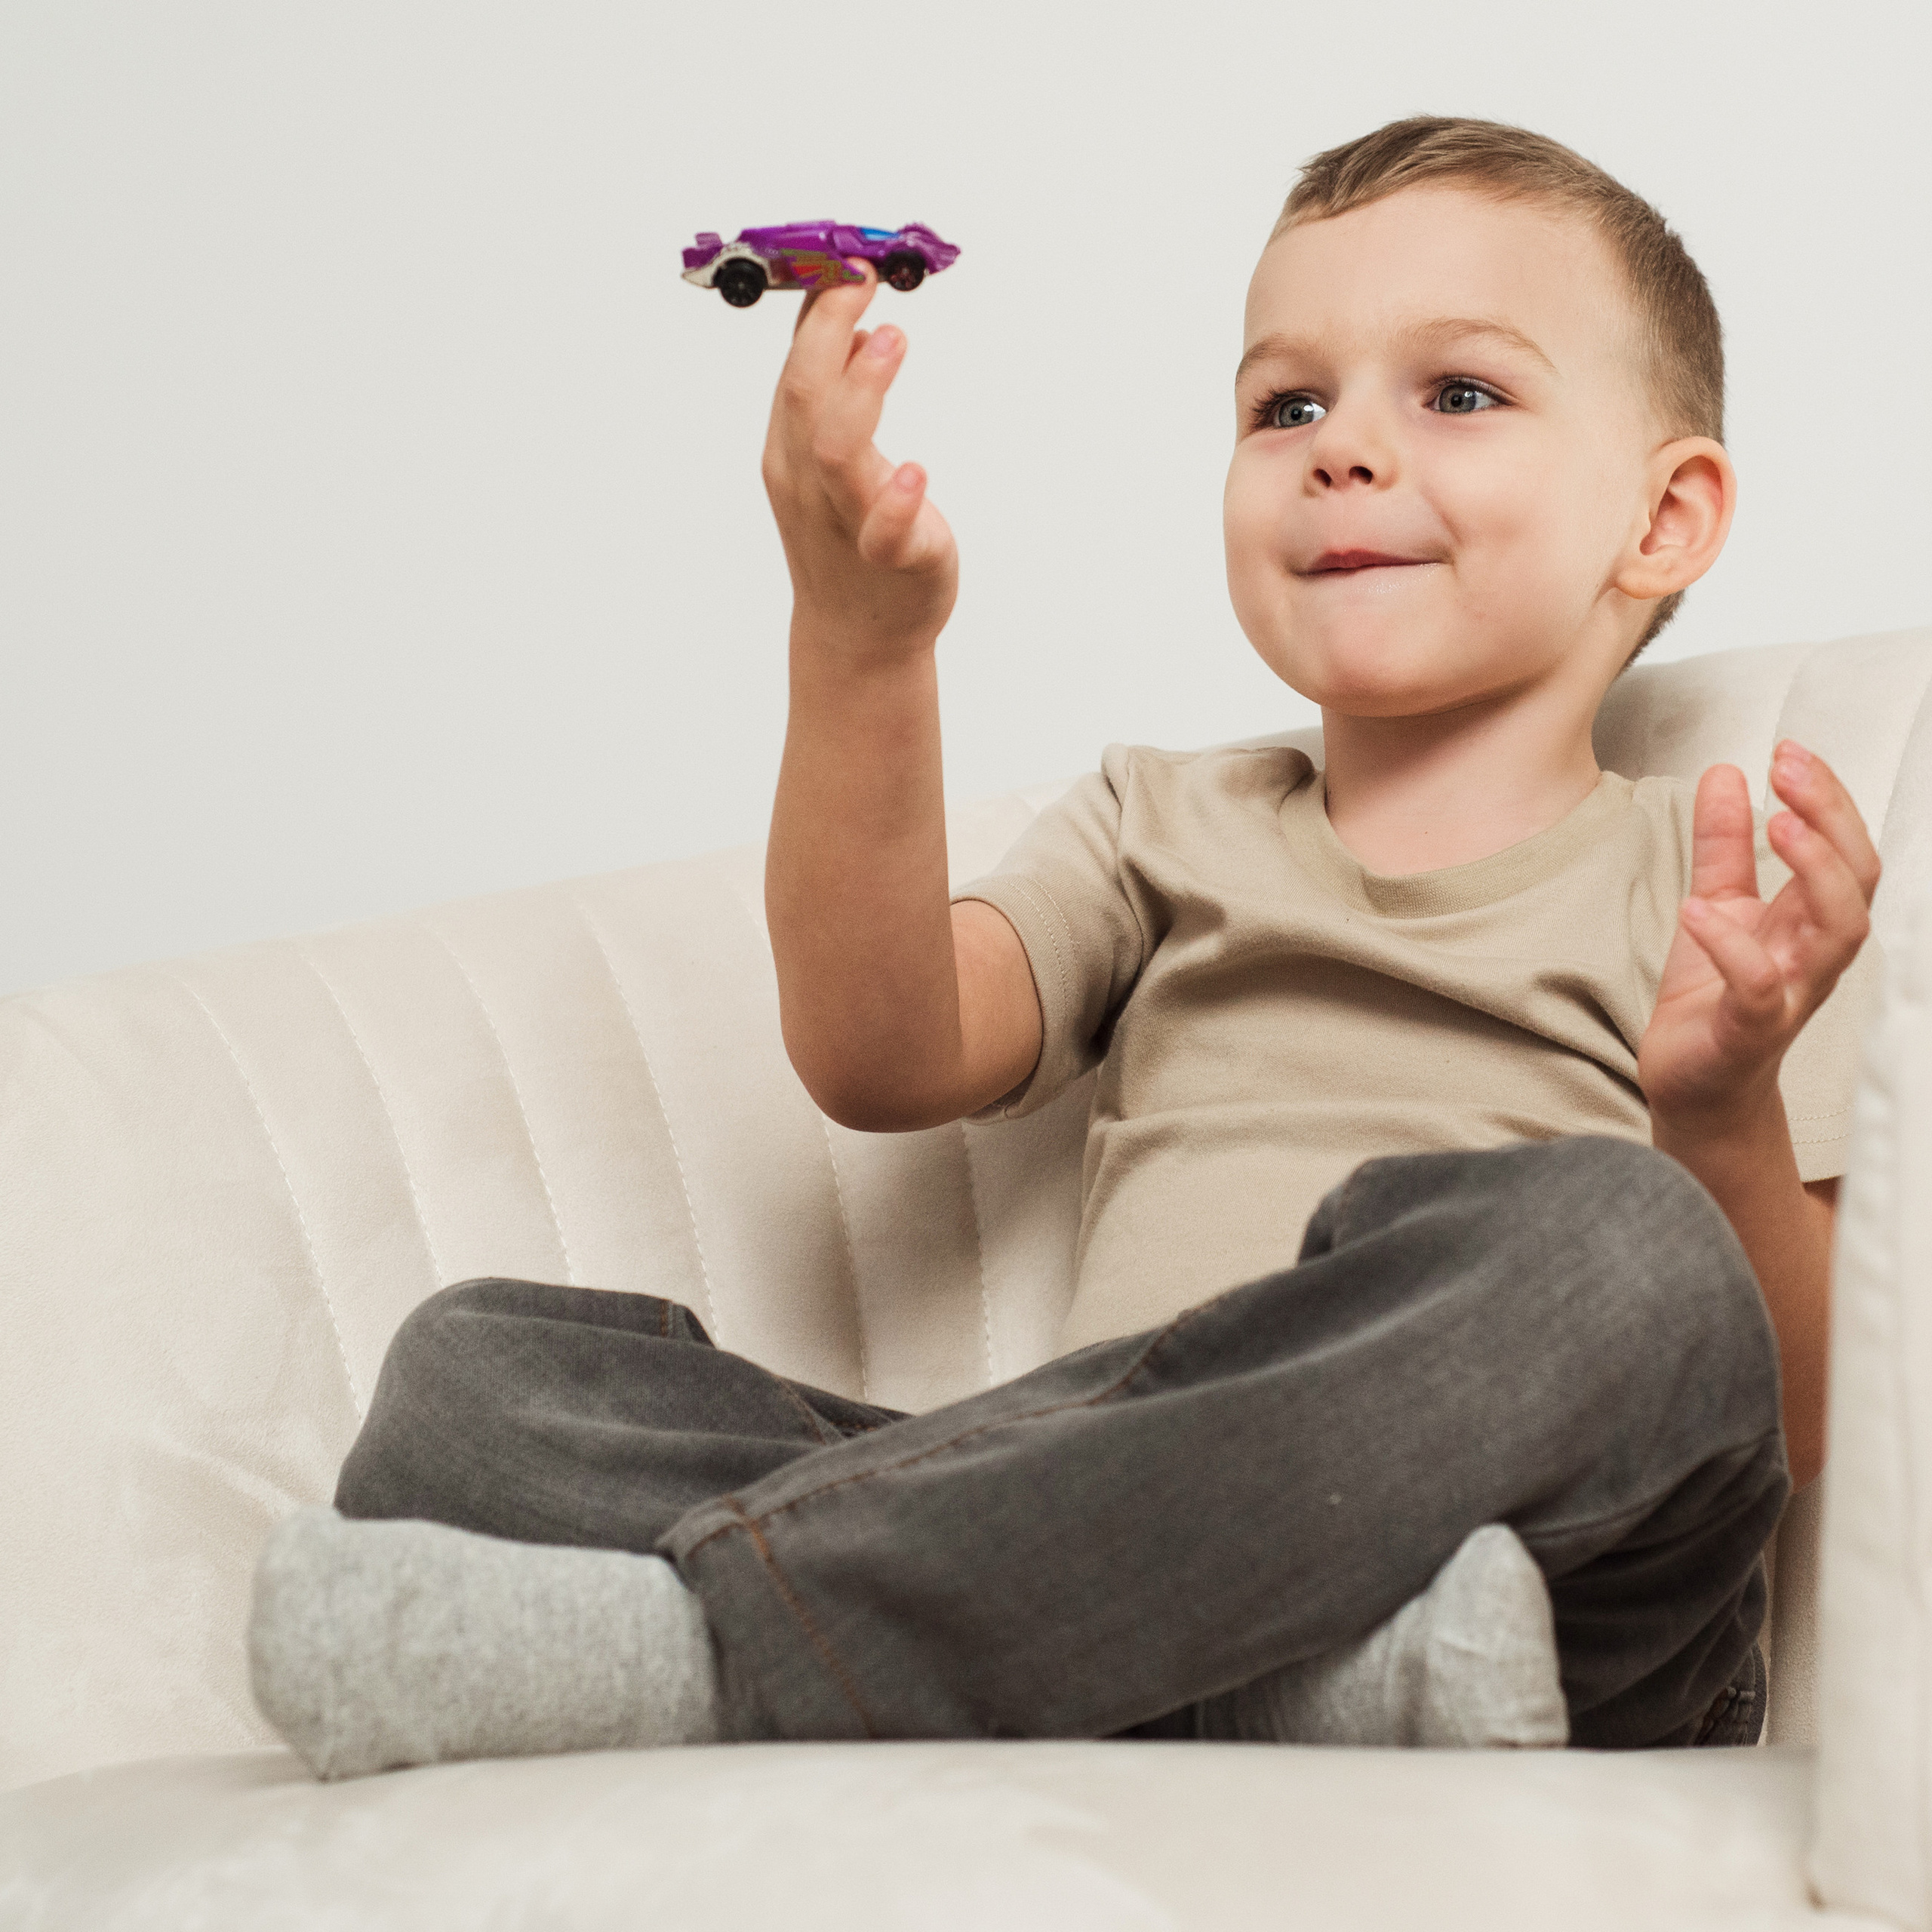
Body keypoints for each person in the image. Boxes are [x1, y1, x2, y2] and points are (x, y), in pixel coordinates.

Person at [247, 115, 1884, 1780]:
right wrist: (860, 643)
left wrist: (1717, 1102)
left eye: (1455, 393)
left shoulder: (1720, 881)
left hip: (1539, 1582)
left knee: (1621, 1261)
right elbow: (880, 1054)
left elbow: (1798, 1411)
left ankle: (724, 1658)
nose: (1341, 448)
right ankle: (1262, 1692)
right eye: (1285, 405)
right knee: (471, 1383)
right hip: (1105, 1511)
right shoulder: (1159, 823)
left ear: (1663, 518)